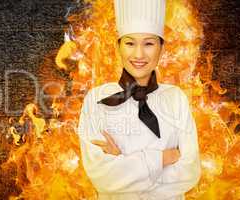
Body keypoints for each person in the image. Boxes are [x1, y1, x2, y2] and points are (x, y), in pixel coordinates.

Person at [77, 0, 201, 199]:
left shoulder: (176, 98)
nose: (139, 54)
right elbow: (102, 177)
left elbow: (189, 172)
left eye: (149, 43)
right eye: (130, 43)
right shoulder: (96, 100)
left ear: (161, 48)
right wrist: (161, 158)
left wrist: (124, 165)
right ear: (118, 47)